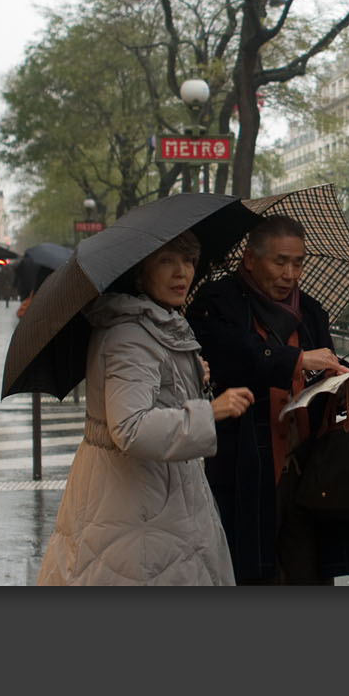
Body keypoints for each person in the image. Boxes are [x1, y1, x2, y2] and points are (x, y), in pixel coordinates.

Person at [37, 231, 253, 586]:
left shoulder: (151, 325)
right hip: (138, 505)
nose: (181, 273)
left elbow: (149, 397)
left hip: (147, 498)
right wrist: (209, 411)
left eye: (188, 261)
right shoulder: (131, 336)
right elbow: (131, 427)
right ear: (141, 272)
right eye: (166, 261)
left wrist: (190, 377)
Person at [188, 214, 349, 585]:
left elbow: (324, 365)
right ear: (250, 260)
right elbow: (240, 356)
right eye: (280, 261)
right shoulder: (217, 302)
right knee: (250, 573)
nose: (290, 274)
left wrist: (341, 377)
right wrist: (300, 359)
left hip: (307, 471)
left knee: (311, 572)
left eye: (298, 262)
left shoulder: (310, 312)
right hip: (245, 468)